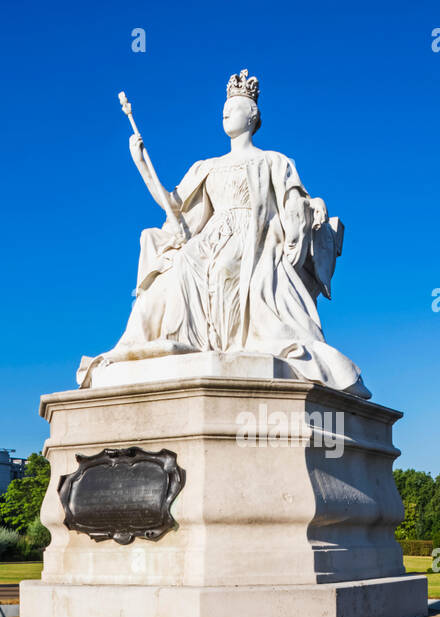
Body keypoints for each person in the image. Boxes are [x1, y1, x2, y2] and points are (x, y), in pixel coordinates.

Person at [78, 71, 368, 397]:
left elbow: (293, 201)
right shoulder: (207, 166)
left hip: (254, 238)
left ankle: (220, 344)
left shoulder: (274, 161)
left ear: (252, 116)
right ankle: (182, 343)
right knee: (182, 263)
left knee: (226, 267)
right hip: (210, 238)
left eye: (234, 107)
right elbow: (174, 208)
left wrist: (316, 203)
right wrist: (142, 164)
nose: (226, 112)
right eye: (224, 108)